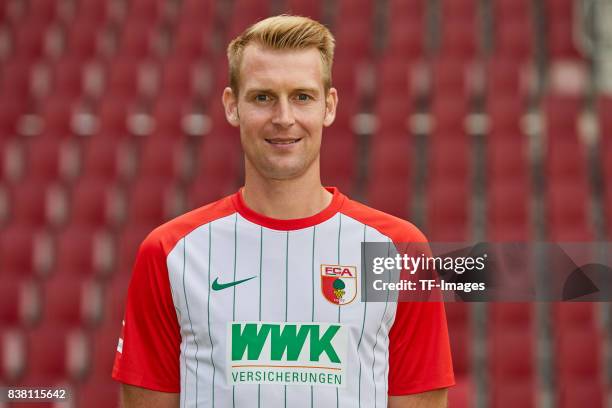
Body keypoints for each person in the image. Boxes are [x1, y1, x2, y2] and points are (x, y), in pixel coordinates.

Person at [112, 15, 454, 408]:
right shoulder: (169, 252)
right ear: (231, 106)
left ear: (329, 106)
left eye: (302, 97)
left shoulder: (400, 251)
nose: (284, 118)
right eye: (262, 97)